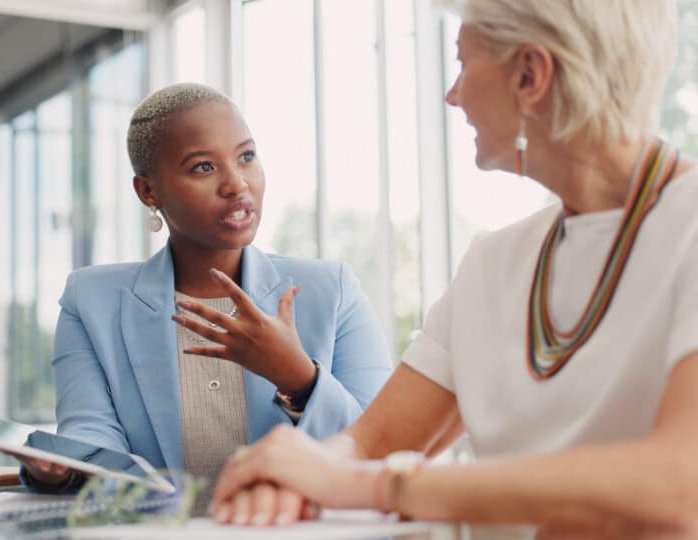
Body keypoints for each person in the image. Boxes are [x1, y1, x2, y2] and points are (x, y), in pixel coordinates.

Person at [202, 0, 698, 535]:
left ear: (530, 74)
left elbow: (679, 482)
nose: (452, 95)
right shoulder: (494, 261)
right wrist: (292, 475)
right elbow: (373, 442)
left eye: (462, 63)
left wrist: (375, 486)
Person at [7, 83, 394, 502]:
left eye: (246, 156)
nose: (236, 184)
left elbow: (381, 449)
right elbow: (93, 439)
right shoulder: (91, 301)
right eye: (203, 168)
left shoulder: (331, 290)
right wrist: (60, 473)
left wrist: (298, 377)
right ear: (148, 191)